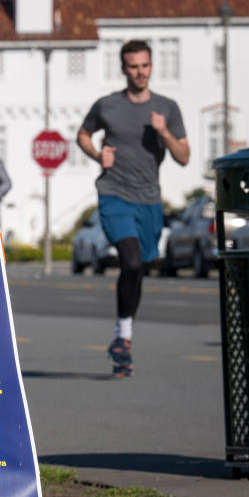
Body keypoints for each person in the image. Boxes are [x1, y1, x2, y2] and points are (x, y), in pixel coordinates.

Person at [77, 39, 189, 377]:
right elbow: (83, 134)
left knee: (139, 268)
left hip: (149, 200)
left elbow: (184, 157)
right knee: (130, 259)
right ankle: (123, 338)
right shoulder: (107, 105)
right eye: (133, 66)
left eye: (144, 65)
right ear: (123, 69)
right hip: (114, 194)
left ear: (151, 67)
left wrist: (164, 132)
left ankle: (122, 339)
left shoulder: (167, 108)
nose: (139, 72)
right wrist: (98, 155)